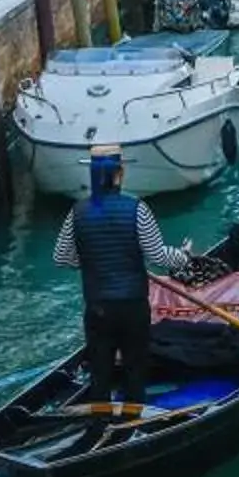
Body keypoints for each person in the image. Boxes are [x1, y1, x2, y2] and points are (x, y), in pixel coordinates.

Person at [53, 144, 186, 408]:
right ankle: (133, 423)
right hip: (132, 307)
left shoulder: (77, 212)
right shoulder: (138, 209)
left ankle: (99, 424)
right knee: (135, 370)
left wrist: (93, 261)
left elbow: (61, 257)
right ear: (119, 174)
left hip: (98, 307)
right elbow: (158, 256)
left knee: (100, 374)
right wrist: (183, 256)